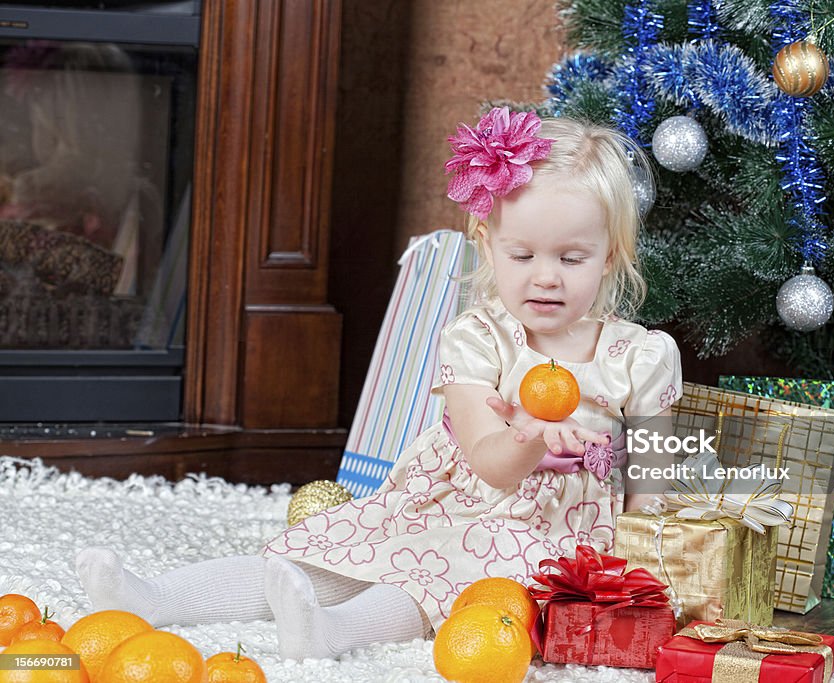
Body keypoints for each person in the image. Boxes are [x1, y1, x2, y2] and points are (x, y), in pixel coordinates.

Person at [74, 108, 682, 660]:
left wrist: (630, 570)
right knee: (330, 553)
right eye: (522, 255)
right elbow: (489, 460)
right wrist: (530, 435)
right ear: (488, 247)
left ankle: (333, 633)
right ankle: (157, 597)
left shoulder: (642, 354)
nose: (545, 278)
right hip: (452, 494)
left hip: (552, 532)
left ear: (609, 255)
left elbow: (650, 483)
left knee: (433, 573)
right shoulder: (478, 338)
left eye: (571, 258)